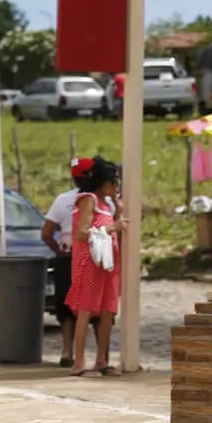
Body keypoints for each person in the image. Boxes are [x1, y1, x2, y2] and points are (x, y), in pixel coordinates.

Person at [66, 157, 127, 378]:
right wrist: (113, 226)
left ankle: (102, 359)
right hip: (90, 262)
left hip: (107, 263)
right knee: (85, 310)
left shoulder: (106, 204)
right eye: (113, 182)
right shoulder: (88, 200)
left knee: (106, 311)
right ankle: (79, 362)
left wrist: (117, 207)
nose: (116, 186)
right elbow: (82, 232)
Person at [42, 157, 100, 367]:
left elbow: (46, 233)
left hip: (67, 258)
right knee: (96, 306)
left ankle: (67, 351)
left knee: (66, 307)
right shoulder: (103, 202)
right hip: (95, 258)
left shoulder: (62, 200)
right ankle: (100, 355)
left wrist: (60, 251)